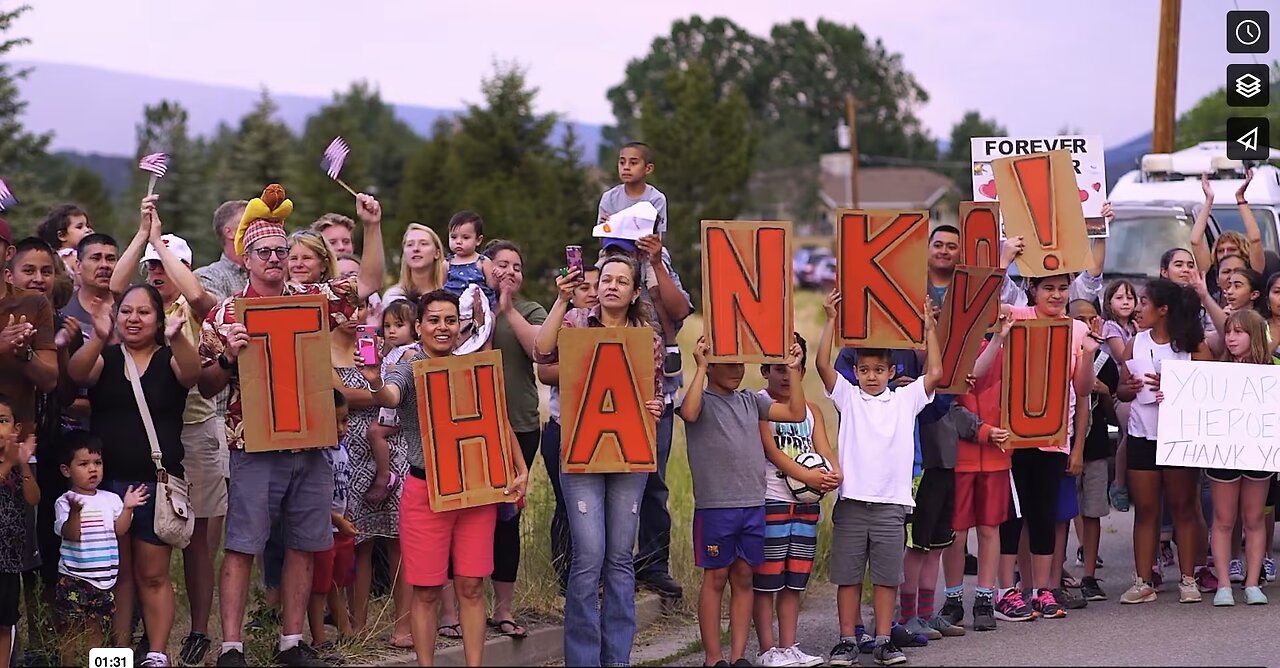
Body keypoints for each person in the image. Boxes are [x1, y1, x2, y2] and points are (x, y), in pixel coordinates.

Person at [197, 184, 369, 667]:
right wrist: (228, 358)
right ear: (245, 259)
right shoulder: (226, 313)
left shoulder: (314, 299)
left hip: (311, 439)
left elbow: (366, 284)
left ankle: (292, 641)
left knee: (304, 543)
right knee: (242, 545)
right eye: (264, 252)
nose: (274, 258)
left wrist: (371, 226)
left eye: (281, 250)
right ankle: (231, 646)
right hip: (253, 443)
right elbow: (206, 386)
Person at [362, 289, 530, 668]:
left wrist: (521, 470)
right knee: (426, 591)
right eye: (434, 320)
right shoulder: (407, 368)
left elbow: (498, 422)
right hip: (425, 492)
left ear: (461, 325)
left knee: (471, 586)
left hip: (475, 490)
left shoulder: (472, 366)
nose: (443, 327)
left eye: (450, 320)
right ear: (418, 325)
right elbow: (389, 396)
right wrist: (374, 381)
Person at [110, 197, 226, 667]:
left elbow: (198, 297)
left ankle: (197, 630)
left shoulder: (194, 311)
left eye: (167, 266)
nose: (157, 272)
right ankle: (129, 644)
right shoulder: (137, 314)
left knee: (195, 539)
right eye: (152, 267)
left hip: (194, 431)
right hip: (143, 442)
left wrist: (160, 239)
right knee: (134, 555)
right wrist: (143, 235)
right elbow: (119, 287)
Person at [534, 257, 664, 667]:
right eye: (606, 279)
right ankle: (584, 659)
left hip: (628, 454)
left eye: (621, 281)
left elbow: (653, 391)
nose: (611, 286)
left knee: (620, 558)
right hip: (581, 451)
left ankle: (618, 658)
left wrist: (656, 404)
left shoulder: (649, 338)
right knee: (589, 556)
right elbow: (541, 353)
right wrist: (559, 301)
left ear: (635, 292)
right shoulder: (574, 322)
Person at [68, 283, 200, 667]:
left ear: (159, 319)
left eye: (144, 312)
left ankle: (157, 653)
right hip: (105, 487)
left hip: (154, 485)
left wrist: (178, 339)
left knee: (153, 574)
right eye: (126, 311)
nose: (134, 318)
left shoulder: (168, 357)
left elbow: (191, 374)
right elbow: (77, 372)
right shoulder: (106, 357)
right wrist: (99, 337)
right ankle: (119, 652)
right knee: (117, 576)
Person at [818, 289, 942, 668]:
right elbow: (823, 366)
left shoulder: (905, 400)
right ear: (855, 372)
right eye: (864, 370)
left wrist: (930, 326)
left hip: (891, 505)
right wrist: (831, 321)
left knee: (887, 577)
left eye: (878, 371)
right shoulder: (848, 397)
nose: (871, 377)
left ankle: (885, 639)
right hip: (853, 502)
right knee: (848, 576)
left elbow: (935, 372)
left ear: (892, 372)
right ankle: (846, 640)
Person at [682, 334, 807, 667]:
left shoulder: (751, 400)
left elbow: (796, 412)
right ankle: (713, 657)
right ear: (710, 366)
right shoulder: (701, 399)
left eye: (740, 362)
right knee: (716, 577)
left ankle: (738, 657)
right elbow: (689, 411)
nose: (737, 369)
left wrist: (794, 369)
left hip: (753, 505)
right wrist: (701, 367)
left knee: (743, 577)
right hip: (715, 508)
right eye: (728, 363)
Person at [1116, 278, 1212, 605]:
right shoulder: (1136, 343)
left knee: (1183, 507)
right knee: (1145, 510)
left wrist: (1174, 385)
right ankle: (1143, 581)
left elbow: (1210, 389)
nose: (1138, 308)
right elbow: (1122, 390)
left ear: (1163, 310)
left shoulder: (1192, 346)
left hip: (1179, 436)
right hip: (1143, 434)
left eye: (1144, 302)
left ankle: (1188, 579)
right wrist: (1128, 386)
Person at [753, 334, 840, 668]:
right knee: (767, 581)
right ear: (765, 370)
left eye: (793, 367)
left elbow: (824, 450)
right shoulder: (761, 405)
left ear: (802, 371)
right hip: (772, 502)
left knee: (794, 580)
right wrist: (807, 478)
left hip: (805, 507)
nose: (786, 375)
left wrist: (834, 473)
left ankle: (789, 647)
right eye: (778, 368)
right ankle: (767, 650)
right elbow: (771, 451)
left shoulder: (812, 411)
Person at [479, 240, 546, 638]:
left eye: (516, 266)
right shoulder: (464, 303)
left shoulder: (529, 310)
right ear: (484, 267)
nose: (509, 272)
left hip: (519, 423)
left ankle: (503, 609)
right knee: (470, 516)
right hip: (473, 426)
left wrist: (505, 308)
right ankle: (455, 611)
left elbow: (539, 350)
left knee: (507, 517)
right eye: (501, 264)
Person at [53, 431, 147, 666]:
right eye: (83, 464)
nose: (93, 469)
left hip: (104, 581)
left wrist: (127, 508)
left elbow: (120, 530)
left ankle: (92, 662)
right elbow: (72, 535)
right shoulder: (65, 501)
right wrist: (75, 512)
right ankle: (70, 662)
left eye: (98, 463)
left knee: (96, 627)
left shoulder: (110, 499)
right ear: (67, 470)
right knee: (71, 628)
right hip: (74, 578)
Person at [350, 299, 414, 646]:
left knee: (399, 543)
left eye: (398, 325)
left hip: (399, 446)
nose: (391, 331)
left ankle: (403, 627)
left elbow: (397, 397)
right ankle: (357, 627)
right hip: (356, 453)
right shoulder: (378, 352)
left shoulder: (409, 356)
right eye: (387, 324)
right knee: (359, 541)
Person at [535, 265, 600, 591]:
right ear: (571, 293)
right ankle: (565, 576)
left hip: (603, 427)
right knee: (566, 503)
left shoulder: (618, 326)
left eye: (596, 285)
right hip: (564, 425)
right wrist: (596, 364)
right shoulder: (565, 322)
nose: (591, 292)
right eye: (583, 286)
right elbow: (545, 371)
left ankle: (596, 576)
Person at [1205, 309, 1274, 606]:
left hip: (1259, 452)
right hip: (1224, 452)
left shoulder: (1273, 372)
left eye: (1238, 332)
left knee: (1255, 517)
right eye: (1228, 332)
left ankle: (1252, 583)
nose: (1231, 338)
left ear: (1255, 335)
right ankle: (1223, 583)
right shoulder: (1215, 373)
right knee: (1223, 518)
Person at [1067, 299, 1118, 603]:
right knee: (1061, 513)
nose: (1085, 324)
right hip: (1063, 444)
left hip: (1096, 446)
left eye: (1090, 318)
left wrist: (1106, 393)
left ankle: (1088, 574)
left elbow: (1113, 418)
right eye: (1079, 319)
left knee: (1092, 511)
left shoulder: (1106, 363)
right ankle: (1055, 572)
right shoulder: (1058, 355)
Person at [309, 390, 357, 645]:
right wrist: (337, 520)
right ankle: (318, 638)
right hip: (323, 529)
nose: (340, 429)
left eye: (345, 421)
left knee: (338, 582)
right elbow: (313, 498)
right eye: (334, 422)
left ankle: (345, 632)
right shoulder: (316, 454)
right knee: (319, 585)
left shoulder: (343, 450)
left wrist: (346, 516)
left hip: (342, 527)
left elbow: (344, 487)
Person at [1191, 170, 1278, 301]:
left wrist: (1241, 199)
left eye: (1232, 249)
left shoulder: (1252, 271)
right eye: (1221, 251)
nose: (1226, 253)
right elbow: (1195, 241)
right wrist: (1208, 200)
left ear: (1243, 251)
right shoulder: (1210, 272)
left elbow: (1255, 238)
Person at [596, 142, 668, 292]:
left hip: (646, 253)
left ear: (648, 168)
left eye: (633, 163)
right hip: (613, 251)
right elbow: (602, 238)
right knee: (596, 280)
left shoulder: (656, 199)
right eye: (622, 162)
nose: (626, 167)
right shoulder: (609, 198)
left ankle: (658, 314)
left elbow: (657, 236)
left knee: (656, 287)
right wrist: (605, 226)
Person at [0, 394, 38, 668]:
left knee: (5, 623)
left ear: (15, 429)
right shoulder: (7, 464)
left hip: (10, 559)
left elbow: (34, 498)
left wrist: (23, 463)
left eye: (2, 421)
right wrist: (9, 464)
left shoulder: (17, 463)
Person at [1102, 280, 1138, 513]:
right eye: (1119, 298)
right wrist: (1142, 337)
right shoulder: (1110, 328)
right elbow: (1124, 356)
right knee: (1132, 425)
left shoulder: (1136, 327)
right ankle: (1119, 483)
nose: (1126, 302)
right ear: (1109, 302)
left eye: (1130, 298)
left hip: (1138, 389)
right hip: (1118, 392)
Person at [193, 200, 250, 303]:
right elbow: (218, 315)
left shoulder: (271, 268)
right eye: (248, 223)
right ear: (229, 232)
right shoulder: (208, 276)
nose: (257, 229)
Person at [383, 223, 446, 306]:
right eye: (410, 244)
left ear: (437, 253)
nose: (416, 249)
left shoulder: (449, 295)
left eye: (423, 243)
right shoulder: (392, 297)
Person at [443, 211, 496, 308]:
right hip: (453, 308)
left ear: (478, 240)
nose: (458, 241)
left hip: (479, 307)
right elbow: (439, 288)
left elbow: (493, 286)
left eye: (465, 237)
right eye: (453, 237)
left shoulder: (482, 262)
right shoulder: (447, 263)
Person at [36, 205, 95, 280]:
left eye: (87, 226)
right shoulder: (73, 256)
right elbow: (85, 281)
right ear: (62, 236)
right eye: (79, 227)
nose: (87, 230)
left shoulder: (54, 256)